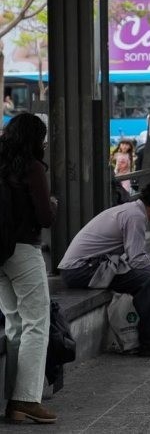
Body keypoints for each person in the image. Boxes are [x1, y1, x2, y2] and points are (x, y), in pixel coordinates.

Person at [57, 181, 150, 358]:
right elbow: (138, 260)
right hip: (81, 270)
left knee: (145, 276)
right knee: (145, 279)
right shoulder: (136, 217)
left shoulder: (133, 210)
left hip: (83, 268)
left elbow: (135, 257)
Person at [0, 113, 57, 424]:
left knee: (14, 324)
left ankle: (11, 399)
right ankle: (26, 399)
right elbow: (45, 217)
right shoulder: (32, 168)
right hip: (23, 250)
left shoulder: (2, 164)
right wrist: (54, 205)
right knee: (36, 323)